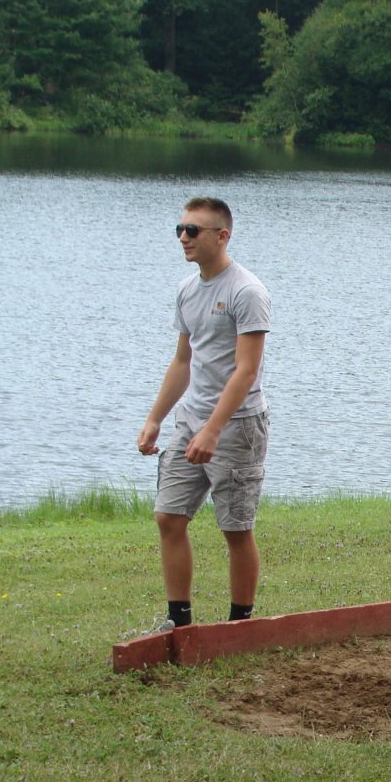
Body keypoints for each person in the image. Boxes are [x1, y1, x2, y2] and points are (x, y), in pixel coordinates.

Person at [137, 197, 272, 631]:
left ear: (221, 235)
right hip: (191, 420)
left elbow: (246, 369)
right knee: (168, 517)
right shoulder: (187, 290)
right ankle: (179, 622)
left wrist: (213, 430)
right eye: (179, 229)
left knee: (235, 528)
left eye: (193, 231)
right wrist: (156, 417)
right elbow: (182, 362)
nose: (183, 237)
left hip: (236, 426)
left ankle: (239, 626)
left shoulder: (246, 291)